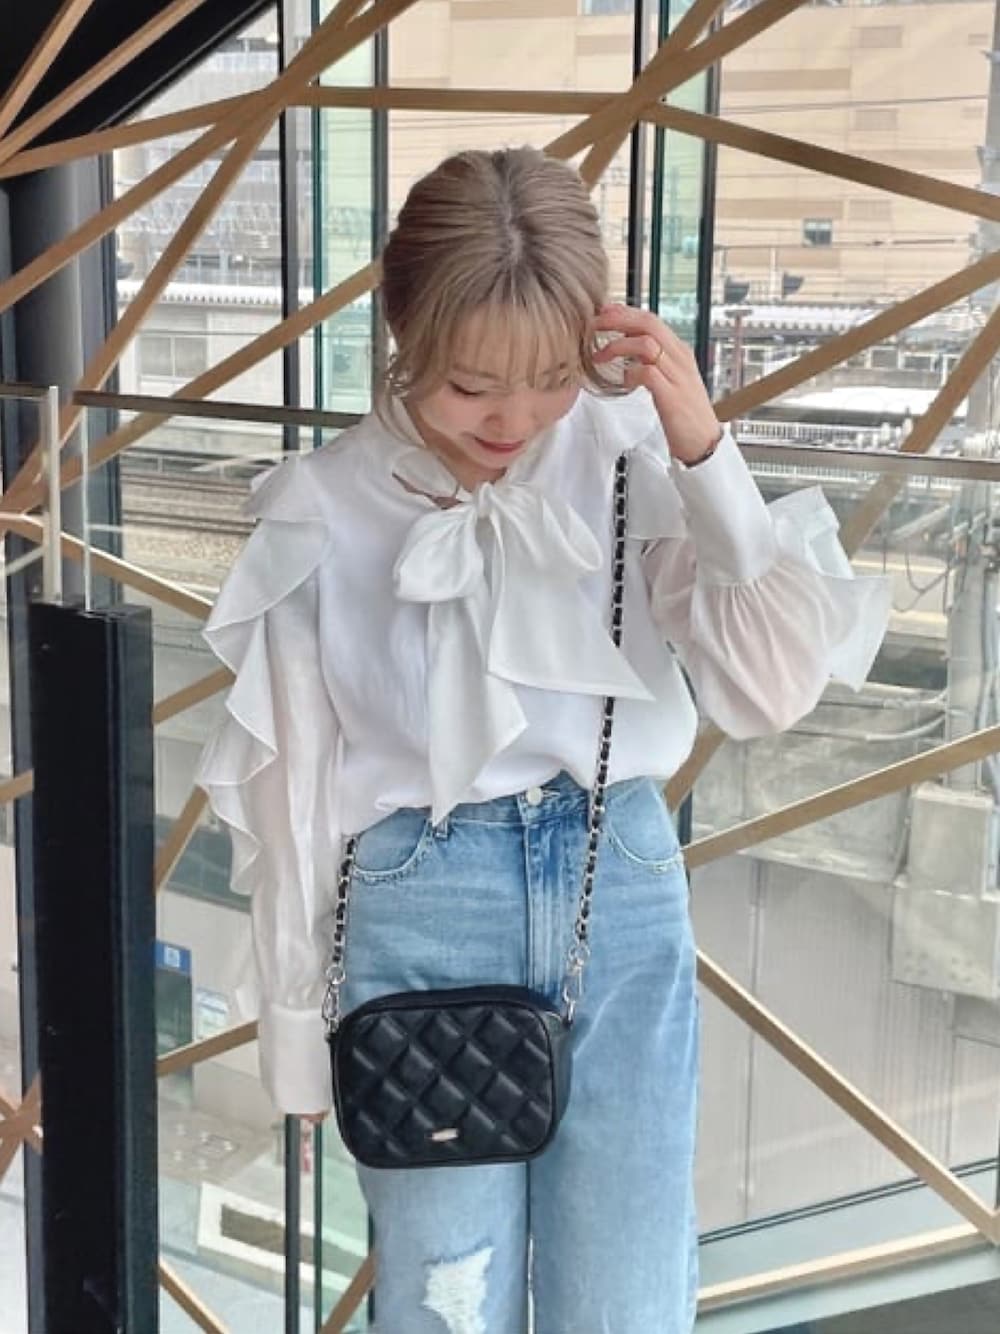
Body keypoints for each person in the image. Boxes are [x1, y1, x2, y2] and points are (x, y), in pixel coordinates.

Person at [197, 146, 891, 1334]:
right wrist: (297, 1036)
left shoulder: (629, 456)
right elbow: (295, 783)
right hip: (419, 905)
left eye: (550, 380)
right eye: (470, 385)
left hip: (617, 889)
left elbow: (769, 686)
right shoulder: (320, 503)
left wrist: (701, 450)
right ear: (404, 333)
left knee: (626, 1303)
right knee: (444, 1304)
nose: (511, 421)